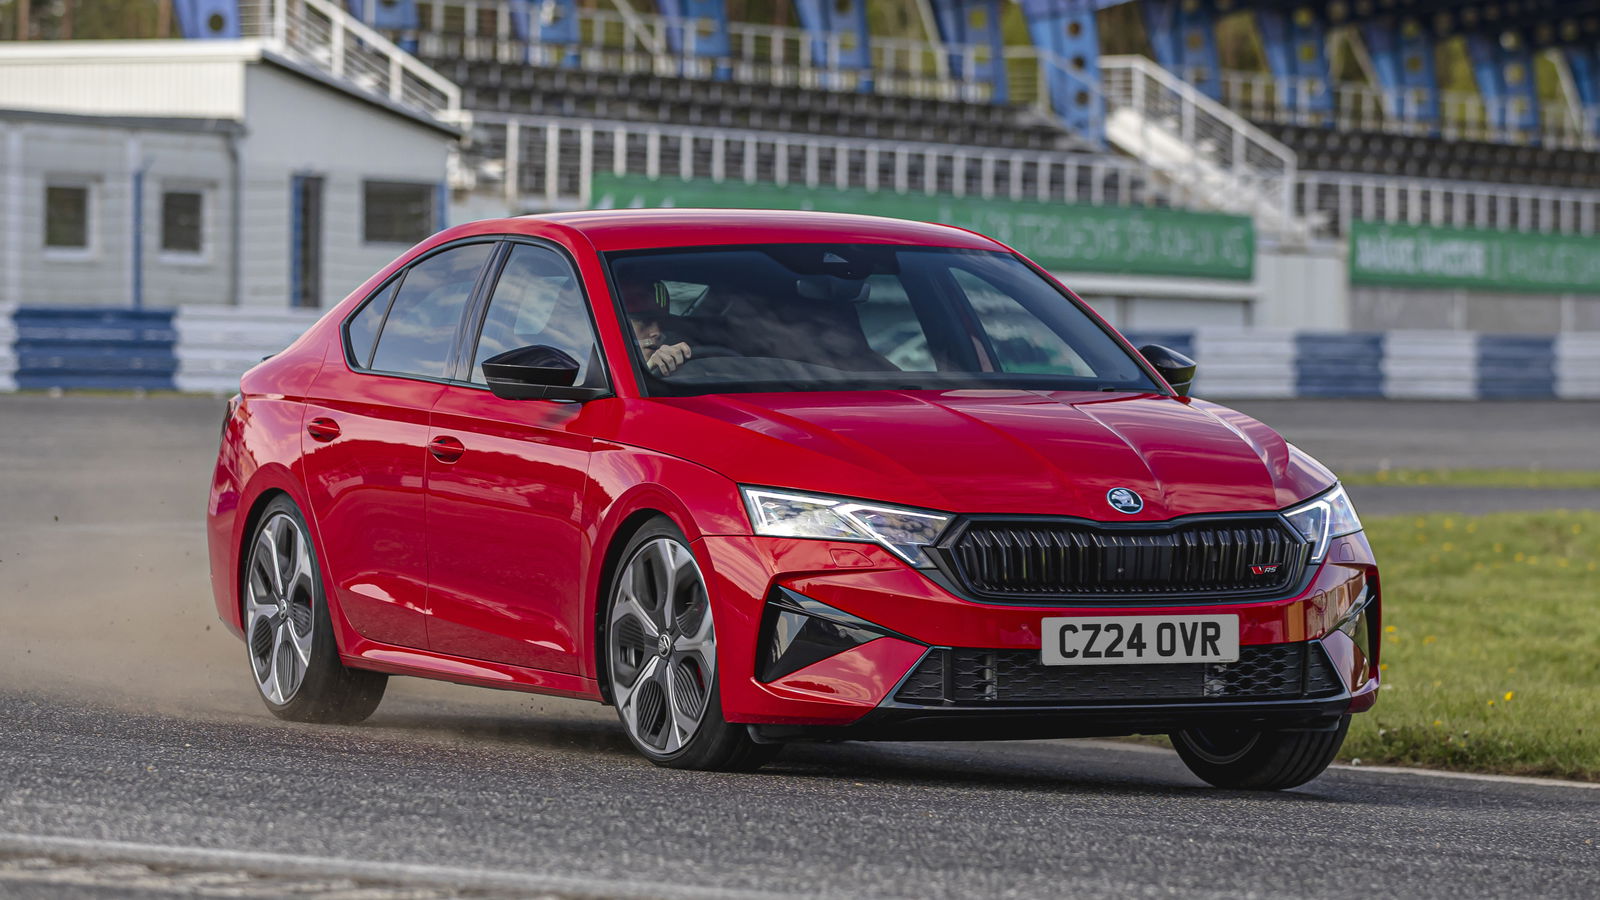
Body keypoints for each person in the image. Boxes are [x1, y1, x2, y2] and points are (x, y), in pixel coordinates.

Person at [623, 285, 694, 376]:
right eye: (645, 322)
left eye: (662, 323)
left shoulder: (679, 359)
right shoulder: (603, 368)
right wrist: (648, 369)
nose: (657, 332)